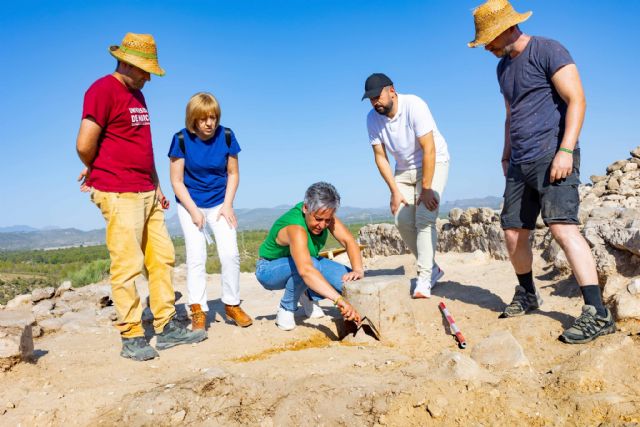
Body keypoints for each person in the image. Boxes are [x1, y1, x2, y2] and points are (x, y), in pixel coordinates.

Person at [468, 0, 616, 343]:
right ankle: (527, 294)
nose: (486, 47)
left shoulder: (548, 49)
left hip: (553, 153)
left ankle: (597, 311)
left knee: (563, 228)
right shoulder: (502, 69)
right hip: (519, 161)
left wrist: (565, 151)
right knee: (512, 232)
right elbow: (511, 113)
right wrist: (505, 154)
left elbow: (577, 99)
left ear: (506, 28)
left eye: (488, 39)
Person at [76, 33, 206, 361]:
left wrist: (157, 186)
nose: (149, 77)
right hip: (118, 192)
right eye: (144, 70)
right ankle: (132, 335)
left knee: (161, 258)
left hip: (146, 190)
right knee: (127, 264)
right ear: (126, 63)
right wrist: (96, 169)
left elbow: (140, 148)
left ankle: (165, 327)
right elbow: (83, 143)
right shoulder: (102, 90)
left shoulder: (138, 96)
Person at [168, 92, 252, 332]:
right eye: (204, 119)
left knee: (230, 254)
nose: (210, 123)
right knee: (196, 257)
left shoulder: (226, 136)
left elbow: (233, 173)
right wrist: (194, 211)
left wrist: (228, 205)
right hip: (189, 203)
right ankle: (198, 309)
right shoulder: (181, 139)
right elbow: (176, 181)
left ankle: (232, 304)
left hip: (219, 202)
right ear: (193, 118)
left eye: (213, 118)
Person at [363, 73, 450, 299]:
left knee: (424, 218)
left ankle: (424, 278)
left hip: (433, 162)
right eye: (371, 99)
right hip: (403, 170)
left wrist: (427, 187)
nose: (375, 102)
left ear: (391, 90)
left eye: (377, 96)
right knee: (401, 220)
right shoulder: (372, 119)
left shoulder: (414, 105)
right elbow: (381, 157)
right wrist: (394, 190)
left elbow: (429, 148)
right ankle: (433, 268)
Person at [256, 182, 363, 330]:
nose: (322, 225)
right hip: (269, 269)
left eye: (328, 220)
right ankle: (286, 308)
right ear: (305, 208)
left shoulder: (324, 214)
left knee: (348, 284)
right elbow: (306, 269)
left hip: (307, 262)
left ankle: (307, 295)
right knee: (312, 266)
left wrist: (357, 270)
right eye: (318, 219)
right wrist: (339, 301)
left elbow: (348, 241)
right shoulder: (295, 228)